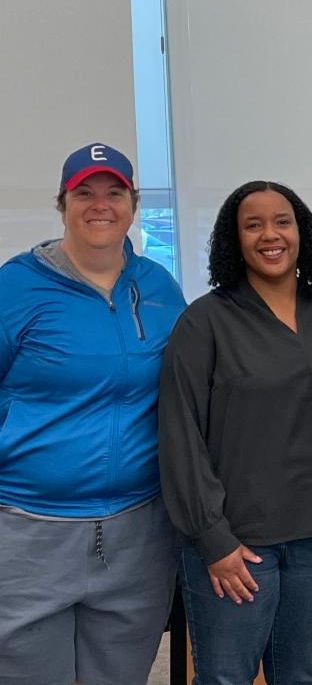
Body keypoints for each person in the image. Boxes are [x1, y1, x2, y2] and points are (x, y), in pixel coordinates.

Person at [158, 180, 312, 684]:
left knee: (301, 676)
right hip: (237, 546)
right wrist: (213, 539)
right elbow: (180, 437)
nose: (270, 235)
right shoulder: (204, 323)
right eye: (252, 225)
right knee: (225, 679)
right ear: (232, 240)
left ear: (302, 232)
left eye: (282, 221)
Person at [0, 143, 185, 683]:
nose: (99, 204)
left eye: (114, 192)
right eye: (84, 192)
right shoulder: (15, 287)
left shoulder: (158, 288)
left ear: (133, 204)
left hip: (138, 535)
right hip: (29, 535)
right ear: (63, 204)